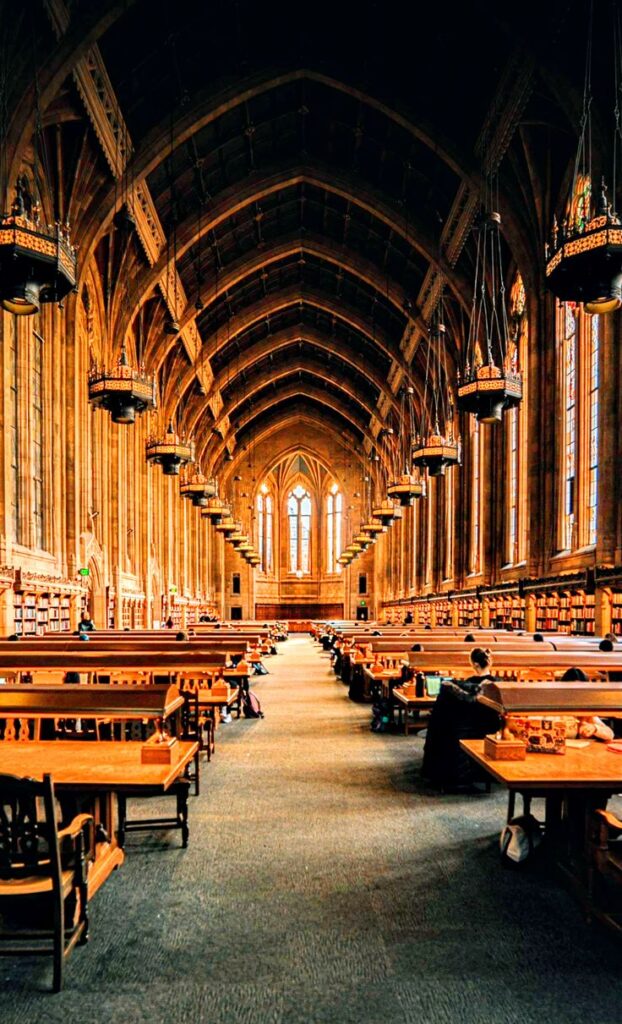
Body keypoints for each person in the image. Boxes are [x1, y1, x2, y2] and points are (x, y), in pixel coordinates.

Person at [422, 648, 501, 791]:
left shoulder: (466, 684)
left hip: (467, 728)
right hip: (491, 728)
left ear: (475, 665)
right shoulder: (498, 684)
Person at [559, 667, 614, 741]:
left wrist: (594, 728)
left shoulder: (586, 714)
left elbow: (610, 734)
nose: (575, 695)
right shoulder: (556, 710)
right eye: (571, 690)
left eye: (579, 691)